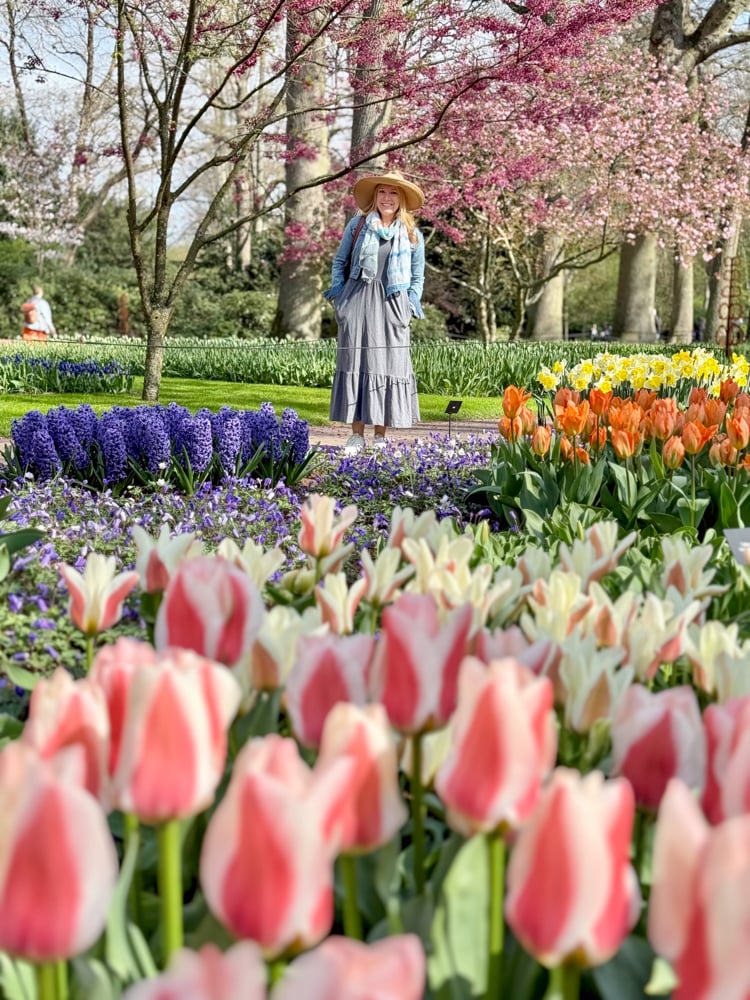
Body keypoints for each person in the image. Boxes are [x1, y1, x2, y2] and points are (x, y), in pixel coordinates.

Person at [324, 169, 425, 453]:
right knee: (356, 363)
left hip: (392, 304)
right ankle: (356, 435)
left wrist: (408, 306)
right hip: (357, 300)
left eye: (394, 192)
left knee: (387, 365)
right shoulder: (357, 226)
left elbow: (417, 278)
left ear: (402, 198)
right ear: (374, 196)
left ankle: (380, 435)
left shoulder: (411, 235)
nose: (387, 198)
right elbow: (339, 263)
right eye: (382, 192)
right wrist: (341, 299)